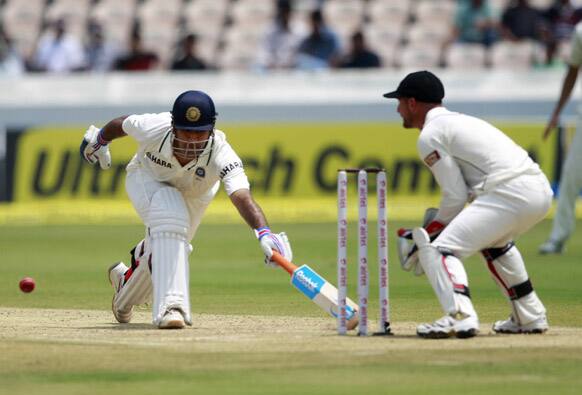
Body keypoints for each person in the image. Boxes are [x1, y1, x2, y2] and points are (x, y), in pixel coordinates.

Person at [79, 90, 293, 329]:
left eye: (199, 133)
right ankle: (172, 306)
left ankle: (124, 292)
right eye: (186, 131)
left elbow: (241, 195)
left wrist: (264, 232)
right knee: (171, 220)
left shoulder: (222, 152)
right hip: (146, 179)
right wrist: (98, 141)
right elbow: (120, 124)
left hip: (195, 196)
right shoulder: (154, 127)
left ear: (211, 130)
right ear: (173, 126)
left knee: (170, 247)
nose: (192, 140)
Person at [384, 71, 552, 338]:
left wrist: (428, 235)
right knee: (496, 246)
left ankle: (460, 316)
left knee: (439, 251)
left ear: (412, 103)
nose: (398, 109)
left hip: (509, 192)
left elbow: (455, 196)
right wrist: (437, 225)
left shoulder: (430, 135)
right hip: (538, 189)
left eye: (400, 102)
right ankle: (529, 316)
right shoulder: (460, 122)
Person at [539, 22, 582, 254]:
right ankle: (558, 238)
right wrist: (556, 112)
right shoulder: (580, 31)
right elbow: (573, 71)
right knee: (570, 176)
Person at [256, 0, 303, 70]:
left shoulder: (299, 29)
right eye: (282, 12)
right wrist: (271, 64)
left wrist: (289, 64)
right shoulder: (270, 29)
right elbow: (264, 52)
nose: (284, 15)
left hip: (294, 69)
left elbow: (301, 54)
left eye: (286, 12)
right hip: (272, 69)